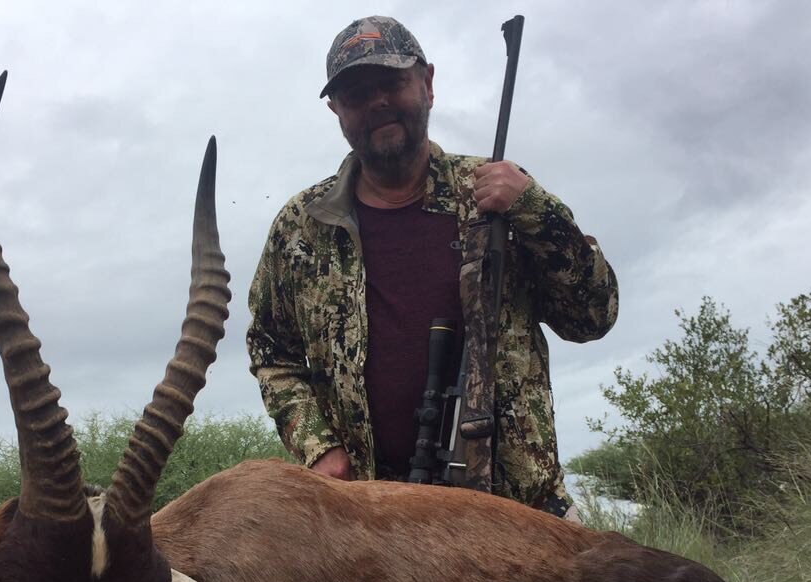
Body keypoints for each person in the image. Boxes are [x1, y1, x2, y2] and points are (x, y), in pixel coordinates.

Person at [247, 15, 619, 519]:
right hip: (373, 522)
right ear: (336, 110)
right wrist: (319, 447)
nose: (377, 101)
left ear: (427, 84)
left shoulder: (500, 196)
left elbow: (592, 317)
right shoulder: (301, 226)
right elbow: (272, 350)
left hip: (521, 513)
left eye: (392, 82)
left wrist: (537, 210)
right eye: (357, 93)